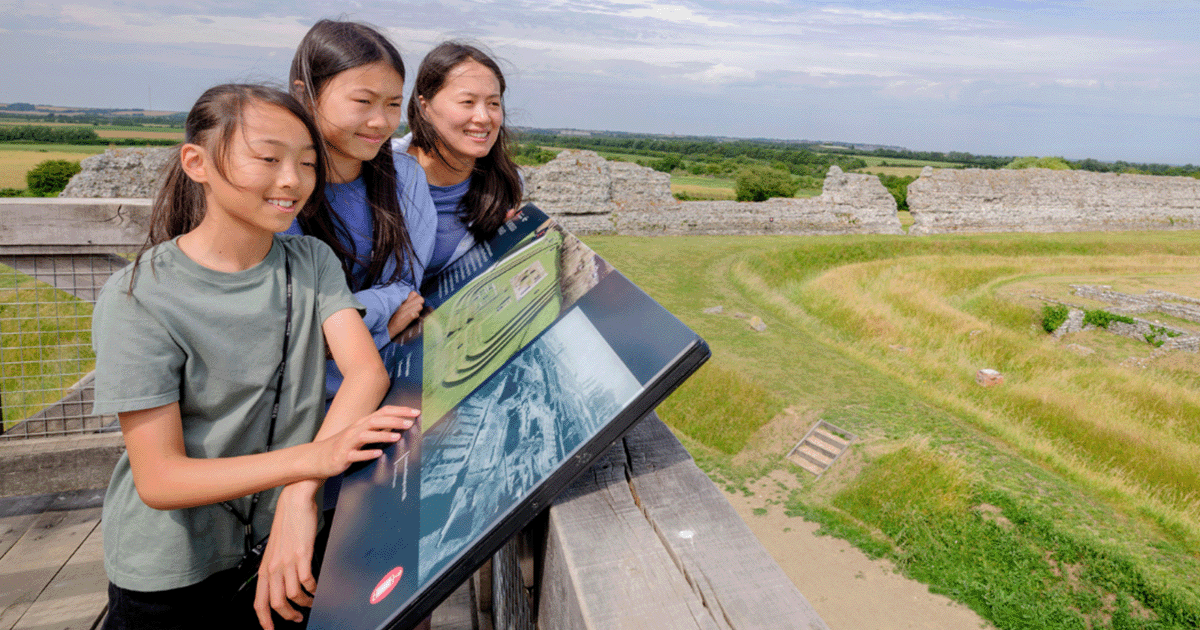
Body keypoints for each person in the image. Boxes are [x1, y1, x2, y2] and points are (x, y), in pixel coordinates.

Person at [91, 83, 420, 630]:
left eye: (307, 163)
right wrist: (316, 460)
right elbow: (160, 479)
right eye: (267, 159)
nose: (291, 180)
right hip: (175, 569)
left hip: (288, 544)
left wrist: (298, 497)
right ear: (196, 162)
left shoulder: (311, 260)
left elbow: (366, 371)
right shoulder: (138, 298)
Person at [284, 19, 436, 391]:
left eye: (393, 104)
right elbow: (287, 325)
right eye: (363, 101)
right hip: (293, 406)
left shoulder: (406, 179)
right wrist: (379, 319)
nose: (380, 122)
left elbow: (406, 287)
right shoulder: (280, 186)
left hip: (381, 391)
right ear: (306, 96)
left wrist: (335, 328)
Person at [396, 41, 524, 279]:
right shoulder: (380, 171)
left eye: (493, 103)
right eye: (468, 102)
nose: (484, 117)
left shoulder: (507, 184)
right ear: (425, 107)